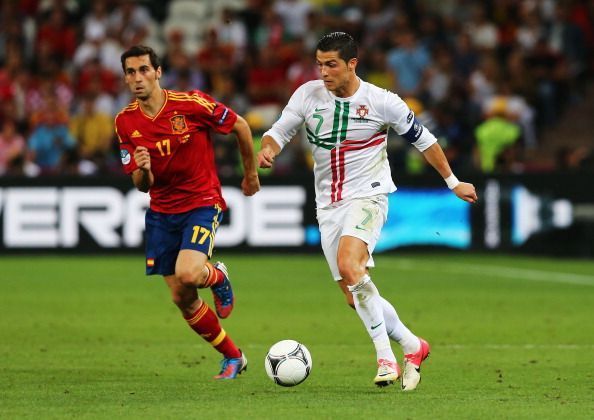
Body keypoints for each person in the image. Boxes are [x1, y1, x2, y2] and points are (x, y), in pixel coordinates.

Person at [257, 32, 477, 390]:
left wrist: (453, 182)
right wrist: (269, 149)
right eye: (320, 64)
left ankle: (384, 358)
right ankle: (412, 344)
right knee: (352, 293)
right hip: (328, 204)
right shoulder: (308, 95)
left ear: (352, 64)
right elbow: (278, 131)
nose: (324, 72)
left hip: (369, 195)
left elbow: (426, 140)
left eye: (331, 64)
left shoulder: (382, 101)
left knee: (350, 265)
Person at [115, 45, 260, 380]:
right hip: (162, 212)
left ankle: (217, 276)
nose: (137, 78)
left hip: (201, 201)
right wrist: (144, 170)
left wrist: (250, 174)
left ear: (158, 72)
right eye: (131, 72)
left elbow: (239, 126)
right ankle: (234, 357)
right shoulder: (125, 122)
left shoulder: (191, 104)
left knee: (190, 272)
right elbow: (141, 185)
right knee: (182, 296)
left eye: (143, 70)